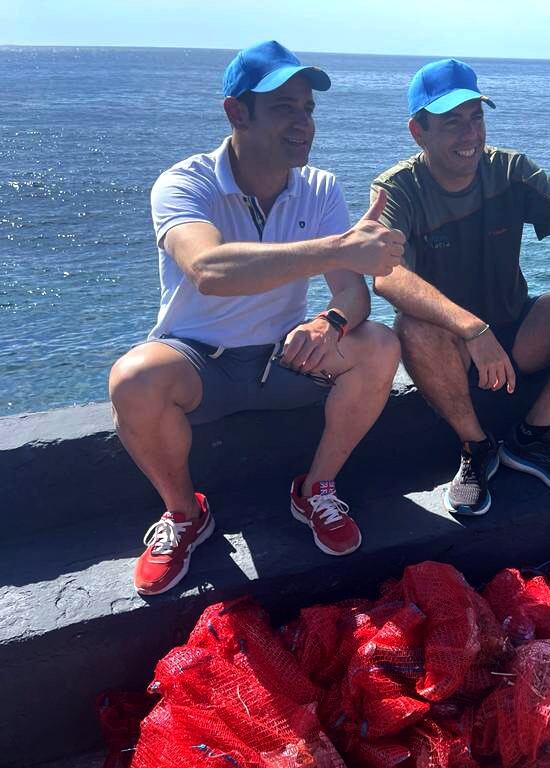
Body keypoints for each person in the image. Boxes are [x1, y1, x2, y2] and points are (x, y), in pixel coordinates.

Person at [109, 41, 406, 596]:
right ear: (236, 113)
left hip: (283, 359)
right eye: (284, 108)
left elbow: (353, 295)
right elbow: (208, 268)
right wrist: (337, 248)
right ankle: (183, 515)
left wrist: (332, 322)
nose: (303, 123)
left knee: (381, 345)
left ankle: (315, 489)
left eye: (308, 109)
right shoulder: (186, 183)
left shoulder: (320, 188)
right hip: (199, 361)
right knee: (133, 377)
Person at [371, 58, 550, 517]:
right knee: (411, 326)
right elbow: (387, 275)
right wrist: (471, 330)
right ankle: (475, 448)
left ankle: (534, 435)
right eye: (452, 122)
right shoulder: (397, 190)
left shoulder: (510, 171)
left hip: (518, 331)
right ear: (418, 131)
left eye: (476, 117)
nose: (470, 135)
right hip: (452, 346)